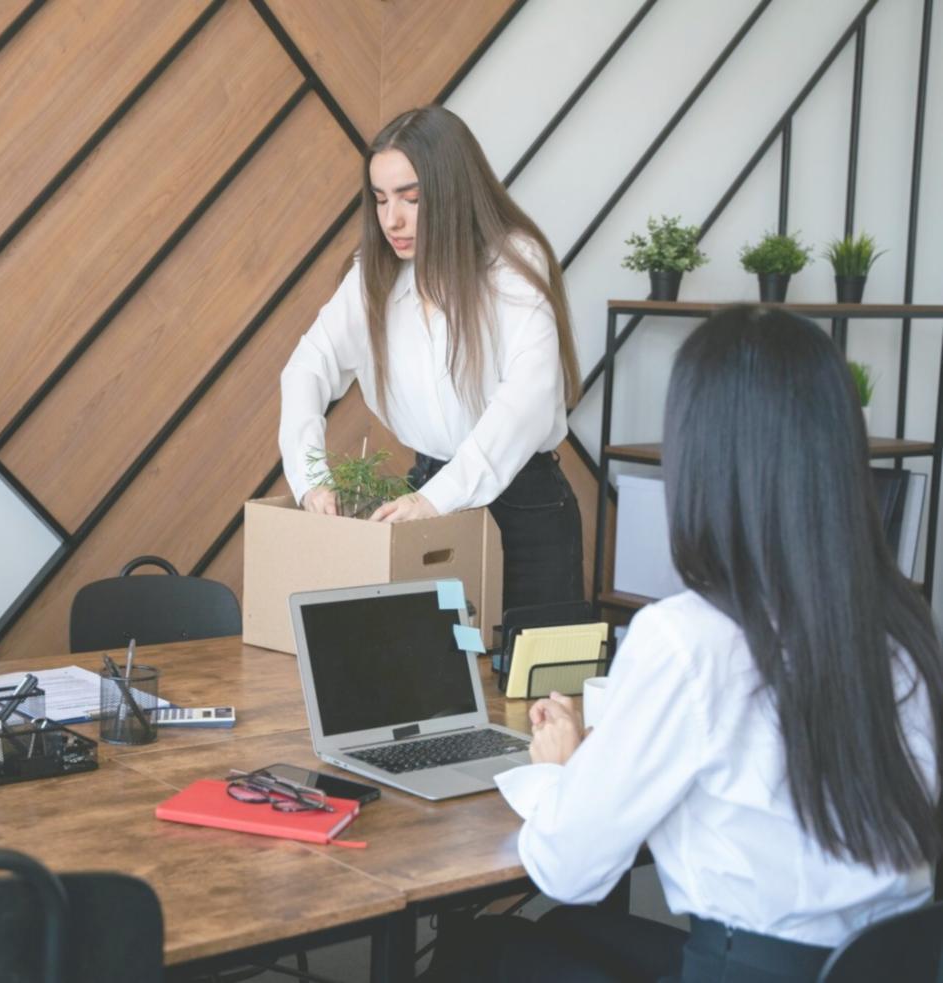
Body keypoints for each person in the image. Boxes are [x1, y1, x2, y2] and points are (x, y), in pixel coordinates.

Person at [460, 307, 943, 981]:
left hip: (746, 966)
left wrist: (564, 770)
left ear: (703, 460)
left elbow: (567, 867)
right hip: (870, 964)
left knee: (486, 949)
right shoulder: (901, 623)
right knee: (574, 930)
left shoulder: (690, 638)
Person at [279, 106, 584, 612]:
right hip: (425, 498)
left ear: (452, 191)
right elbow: (307, 368)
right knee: (433, 681)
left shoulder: (512, 263)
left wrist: (437, 499)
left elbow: (526, 400)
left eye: (411, 198)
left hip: (524, 509)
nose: (391, 219)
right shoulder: (374, 275)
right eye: (379, 200)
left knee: (535, 687)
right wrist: (310, 479)